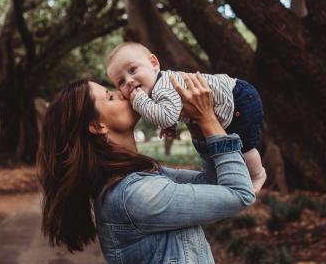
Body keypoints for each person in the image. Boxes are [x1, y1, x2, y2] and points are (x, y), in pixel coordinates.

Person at [37, 72, 255, 264]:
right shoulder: (134, 194)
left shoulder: (139, 176)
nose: (124, 93)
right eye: (111, 97)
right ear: (97, 126)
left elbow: (214, 183)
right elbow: (239, 193)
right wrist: (208, 119)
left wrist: (194, 121)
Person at [106, 42, 267, 193]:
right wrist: (170, 125)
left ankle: (258, 175)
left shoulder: (162, 87)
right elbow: (174, 110)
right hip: (233, 99)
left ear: (154, 63)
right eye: (121, 82)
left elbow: (167, 116)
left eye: (133, 70)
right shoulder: (159, 87)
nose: (129, 81)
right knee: (232, 147)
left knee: (245, 147)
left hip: (238, 100)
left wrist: (140, 101)